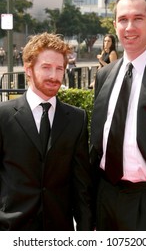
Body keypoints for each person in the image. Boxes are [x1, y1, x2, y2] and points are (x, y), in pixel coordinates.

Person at [90, 0, 146, 231]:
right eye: (123, 19)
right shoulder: (105, 74)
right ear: (115, 24)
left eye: (138, 18)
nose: (129, 27)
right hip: (106, 199)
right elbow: (98, 142)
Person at [0, 32, 93, 231]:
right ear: (28, 69)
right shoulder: (3, 116)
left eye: (59, 69)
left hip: (59, 232)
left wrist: (86, 236)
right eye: (46, 67)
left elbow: (81, 186)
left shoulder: (77, 119)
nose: (54, 76)